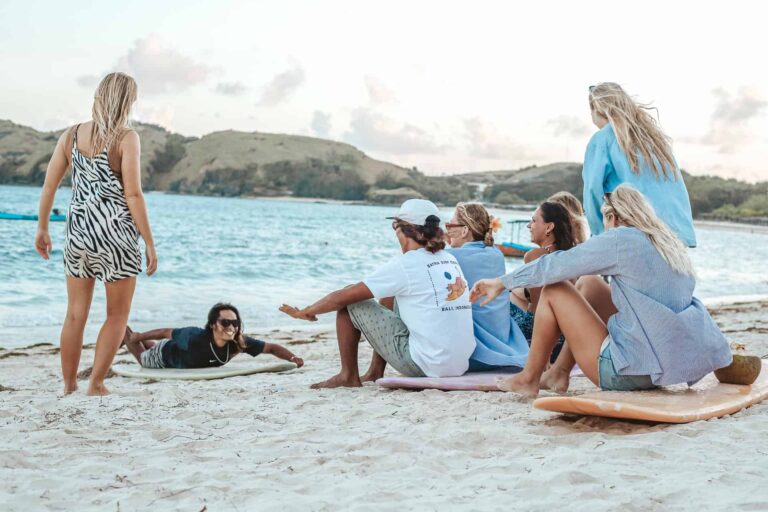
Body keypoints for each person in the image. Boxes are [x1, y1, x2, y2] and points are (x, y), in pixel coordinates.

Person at [471, 185, 731, 398]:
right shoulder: (669, 245)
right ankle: (559, 372)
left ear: (613, 217)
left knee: (554, 290)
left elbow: (558, 264)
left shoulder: (620, 238)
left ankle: (529, 379)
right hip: (663, 366)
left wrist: (502, 282)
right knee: (590, 283)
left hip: (625, 371)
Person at [35, 72, 157, 396]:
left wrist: (42, 227)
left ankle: (69, 385)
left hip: (77, 235)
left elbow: (50, 185)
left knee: (75, 314)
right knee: (117, 314)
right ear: (126, 102)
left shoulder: (72, 135)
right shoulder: (126, 138)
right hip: (115, 236)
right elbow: (133, 195)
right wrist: (148, 241)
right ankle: (96, 383)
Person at [279, 199, 475, 389]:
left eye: (394, 226)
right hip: (458, 364)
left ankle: (348, 375)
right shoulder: (448, 258)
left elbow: (342, 297)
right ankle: (375, 371)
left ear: (404, 230)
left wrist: (305, 311)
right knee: (389, 294)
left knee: (352, 300)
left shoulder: (406, 264)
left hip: (425, 366)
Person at [584, 82, 696, 247]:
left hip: (634, 233)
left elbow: (593, 191)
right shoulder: (656, 141)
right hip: (674, 236)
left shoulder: (602, 139)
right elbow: (676, 188)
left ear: (597, 109)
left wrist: (599, 236)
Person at [444, 202, 528, 371]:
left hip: (473, 355)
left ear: (465, 230)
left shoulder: (450, 257)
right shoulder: (496, 254)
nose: (447, 230)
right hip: (504, 346)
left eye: (450, 225)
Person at [124, 303, 303, 369]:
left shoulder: (238, 342)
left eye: (235, 323)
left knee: (152, 344)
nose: (231, 327)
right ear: (213, 325)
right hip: (163, 357)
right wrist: (138, 338)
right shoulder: (194, 336)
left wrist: (293, 357)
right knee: (142, 358)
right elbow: (165, 332)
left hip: (173, 348)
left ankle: (133, 336)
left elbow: (271, 348)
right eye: (225, 322)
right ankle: (122, 331)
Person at [508, 201, 576, 361]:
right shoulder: (571, 254)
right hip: (567, 339)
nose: (528, 226)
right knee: (514, 292)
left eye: (534, 221)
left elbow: (537, 311)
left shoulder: (535, 256)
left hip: (544, 342)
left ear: (549, 227)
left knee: (499, 301)